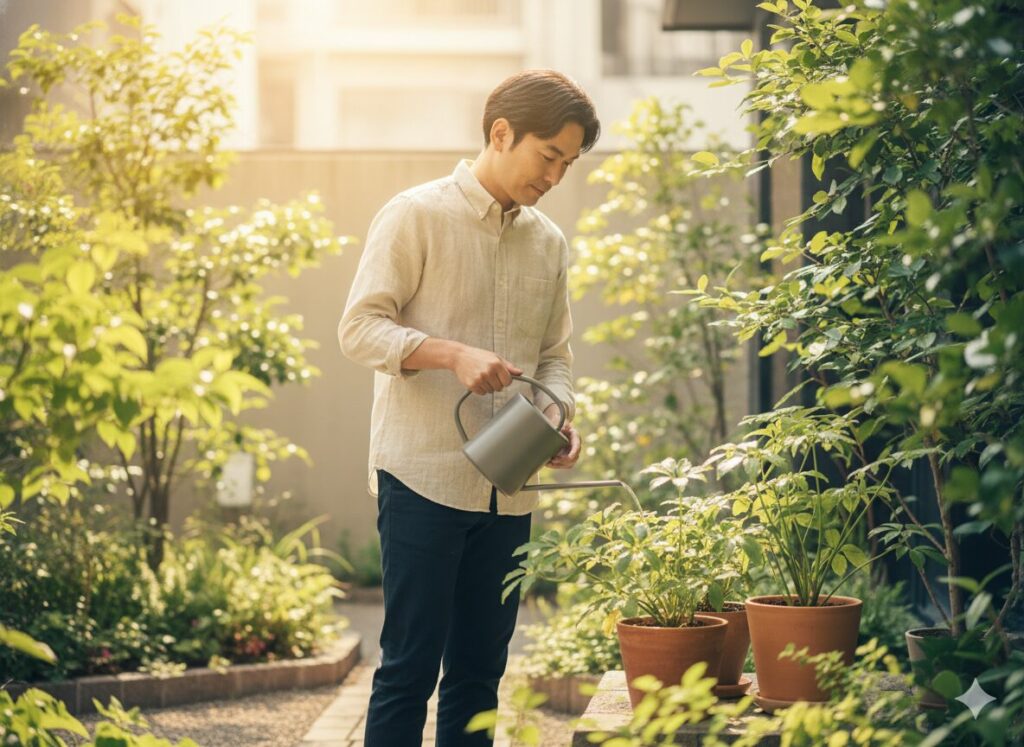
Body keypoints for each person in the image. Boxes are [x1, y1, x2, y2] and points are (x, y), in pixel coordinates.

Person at [338, 69, 600, 747]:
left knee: (481, 675)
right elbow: (359, 329)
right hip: (422, 475)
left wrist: (558, 416)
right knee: (408, 670)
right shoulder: (414, 214)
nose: (555, 176)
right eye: (549, 155)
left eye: (568, 165)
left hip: (509, 488)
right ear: (501, 133)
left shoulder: (548, 242)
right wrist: (450, 353)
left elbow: (555, 356)